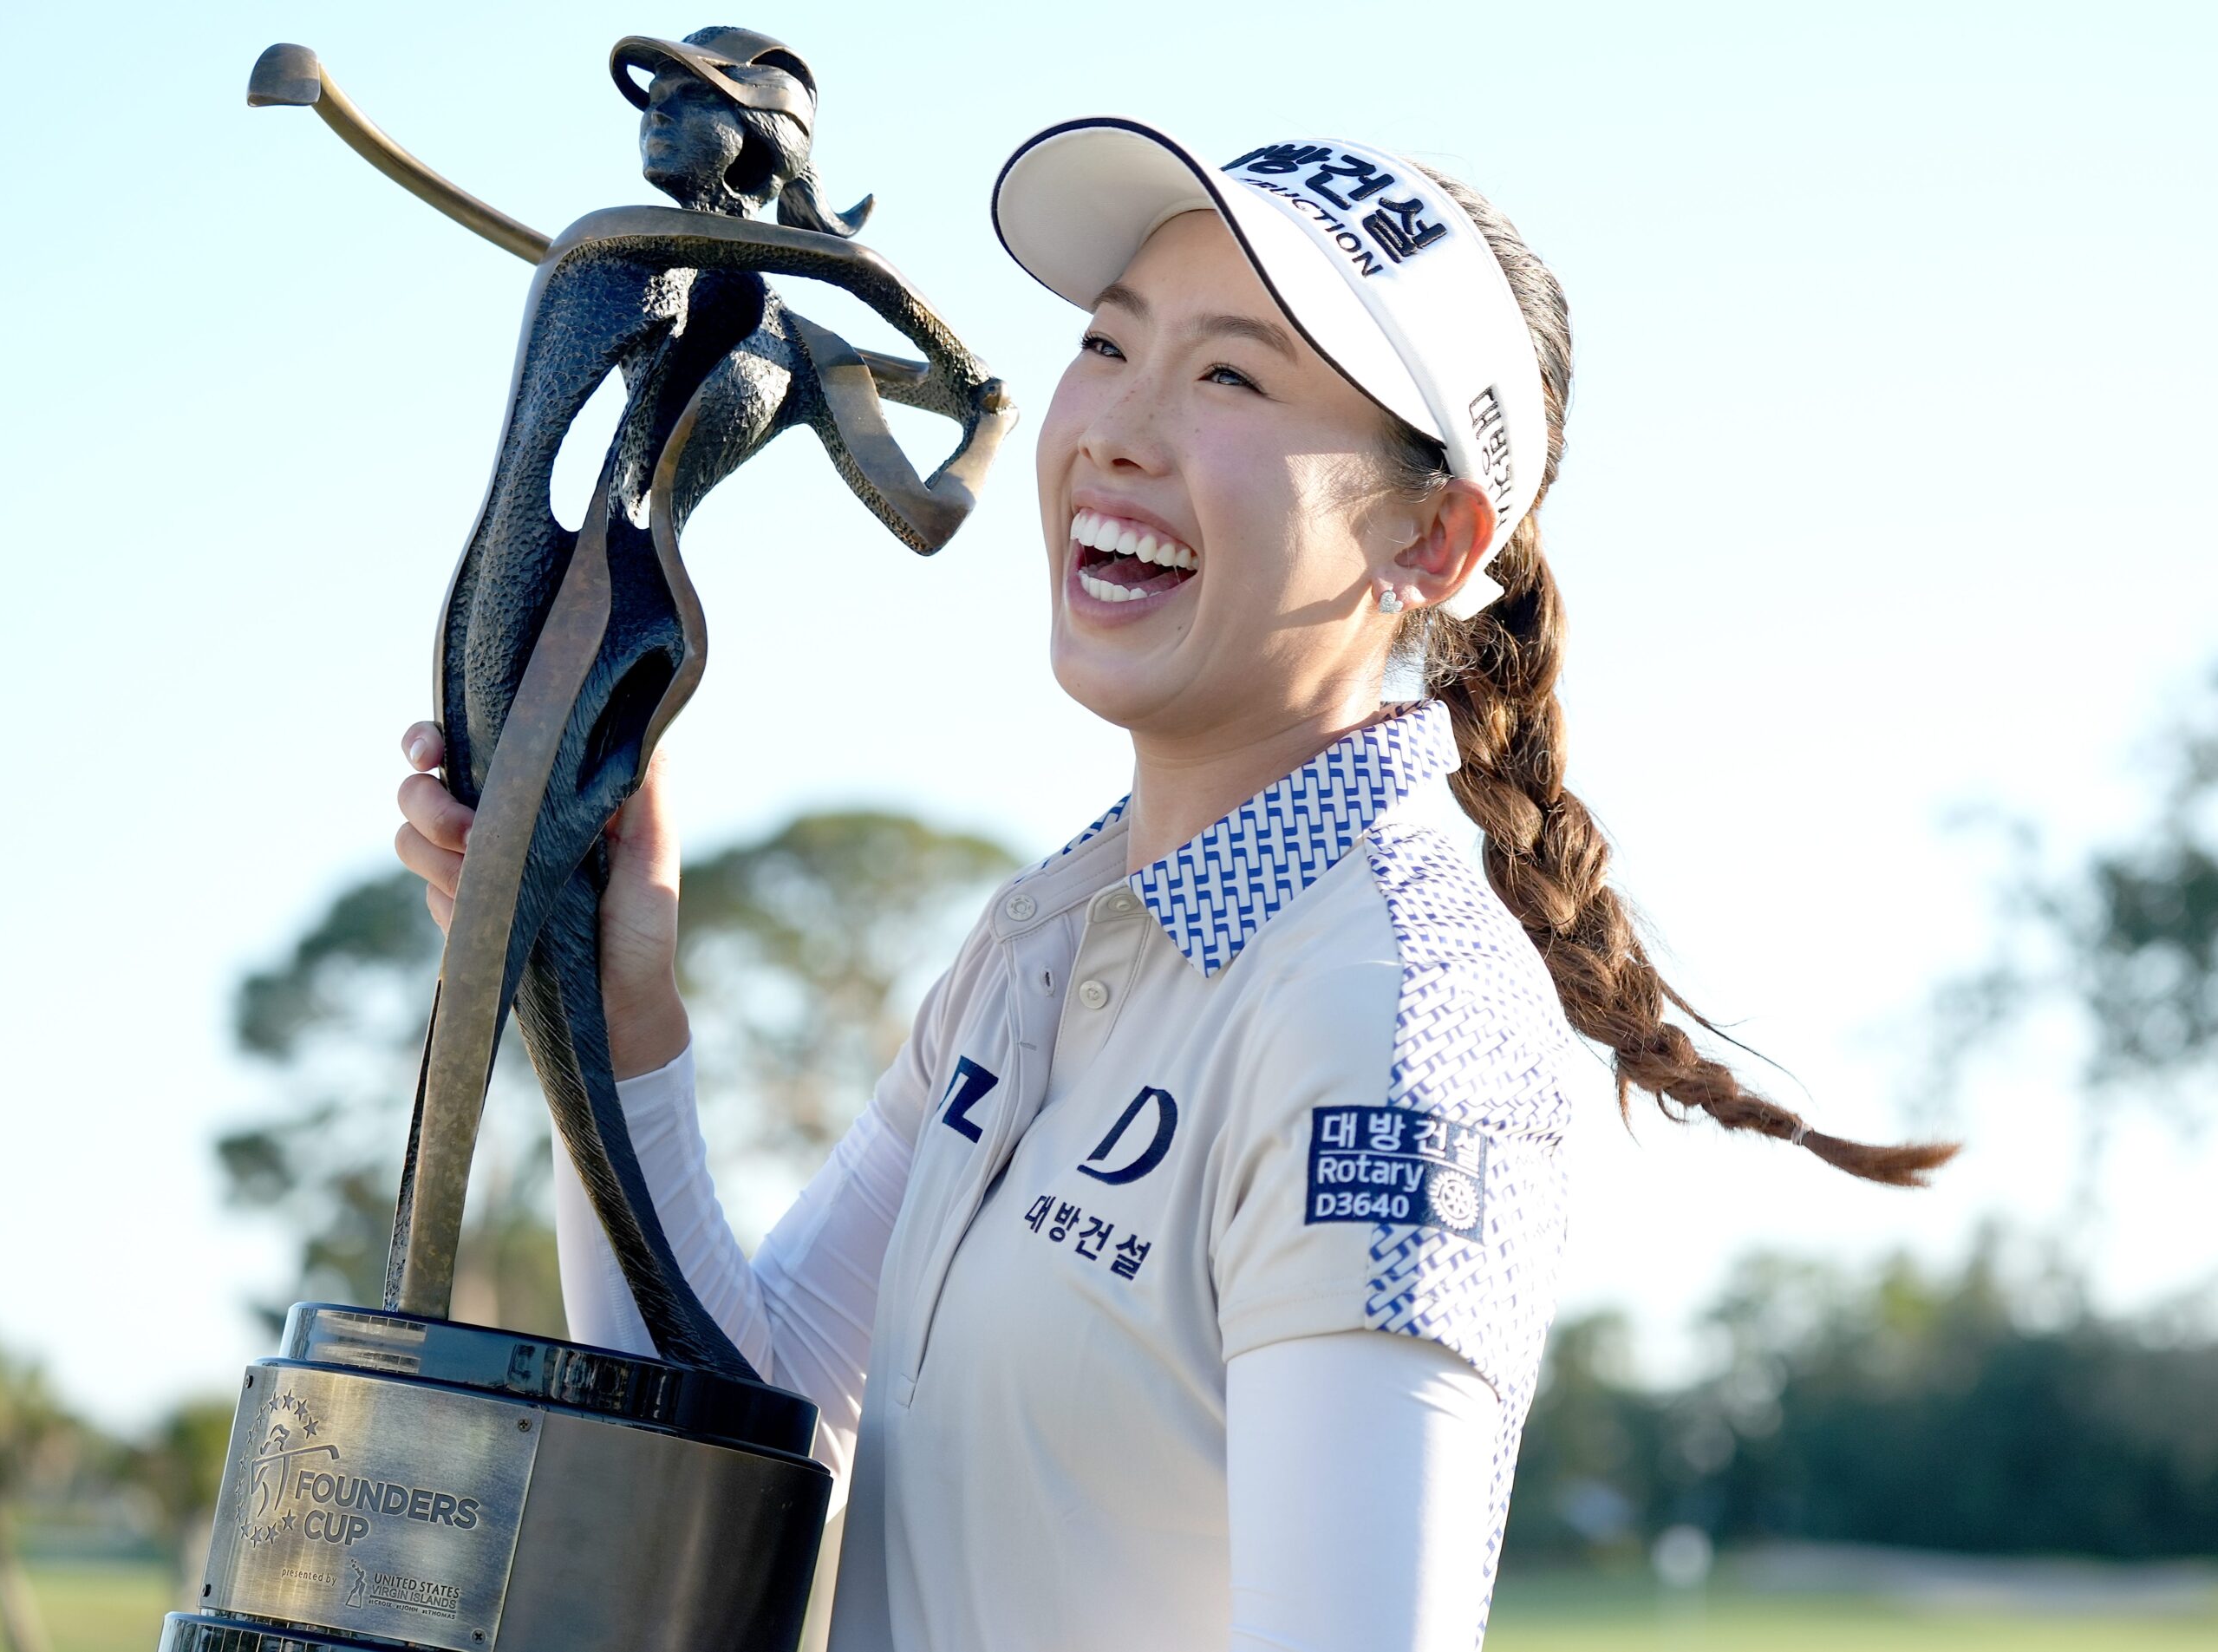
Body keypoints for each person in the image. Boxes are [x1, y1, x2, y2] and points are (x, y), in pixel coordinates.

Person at [395, 116, 1954, 1651]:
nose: (1115, 430)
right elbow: (748, 1418)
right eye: (1107, 343)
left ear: (1434, 534)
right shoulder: (1040, 940)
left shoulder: (1396, 1013)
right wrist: (610, 1004)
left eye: (1227, 374)